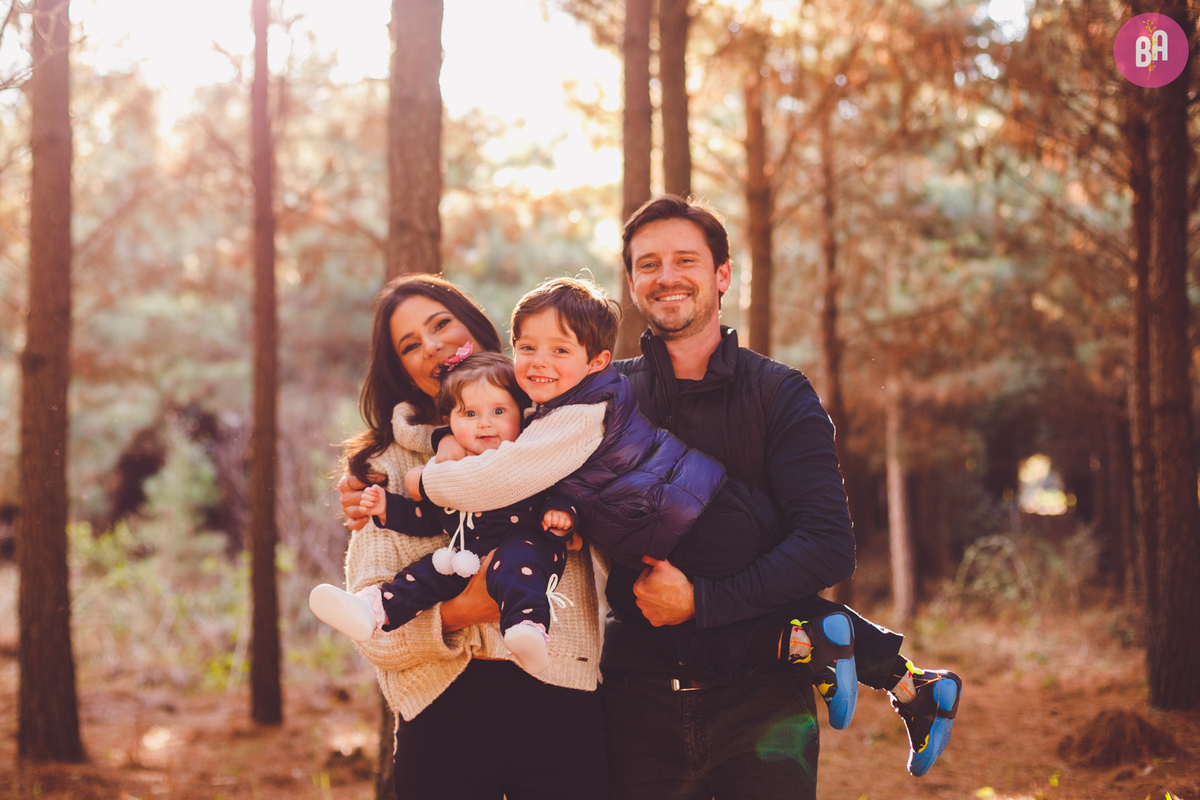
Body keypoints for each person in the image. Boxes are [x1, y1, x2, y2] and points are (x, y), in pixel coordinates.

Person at [411, 272, 961, 788]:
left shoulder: (576, 415)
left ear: (598, 359)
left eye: (559, 350)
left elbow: (497, 479)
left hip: (693, 522)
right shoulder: (576, 401)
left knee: (713, 605)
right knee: (747, 600)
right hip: (706, 508)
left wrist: (422, 481)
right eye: (527, 348)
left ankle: (813, 644)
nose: (538, 362)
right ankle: (910, 683)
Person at [335, 274, 608, 800]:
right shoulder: (385, 467)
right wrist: (463, 610)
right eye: (410, 345)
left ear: (479, 331)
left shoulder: (554, 435)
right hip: (442, 713)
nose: (431, 347)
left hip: (563, 703)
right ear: (401, 369)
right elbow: (371, 637)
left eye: (441, 325)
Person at [313, 351, 575, 675]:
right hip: (462, 556)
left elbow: (565, 484)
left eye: (498, 411)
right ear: (449, 421)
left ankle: (528, 628)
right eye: (470, 414)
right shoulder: (449, 474)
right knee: (422, 575)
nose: (484, 422)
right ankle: (373, 607)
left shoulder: (527, 456)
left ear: (522, 414)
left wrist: (561, 510)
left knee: (516, 568)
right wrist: (387, 507)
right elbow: (428, 518)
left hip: (527, 545)